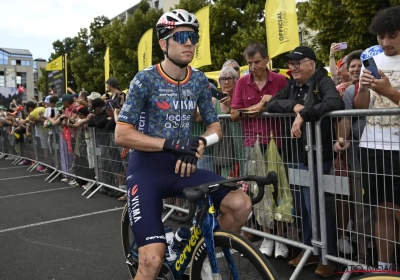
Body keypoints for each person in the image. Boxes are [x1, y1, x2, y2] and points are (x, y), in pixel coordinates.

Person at [115, 9, 252, 280]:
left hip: (184, 167)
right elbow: (121, 134)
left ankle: (194, 252)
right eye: (182, 37)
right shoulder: (145, 79)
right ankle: (167, 250)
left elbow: (216, 127)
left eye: (194, 37)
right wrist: (171, 144)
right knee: (151, 262)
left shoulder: (199, 80)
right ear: (163, 43)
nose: (190, 42)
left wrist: (200, 141)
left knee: (241, 204)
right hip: (147, 171)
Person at [266, 46, 344, 277]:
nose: (292, 67)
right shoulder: (292, 86)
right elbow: (272, 104)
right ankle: (309, 248)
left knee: (317, 206)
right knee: (302, 206)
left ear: (311, 63)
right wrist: (295, 107)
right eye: (290, 63)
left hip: (318, 155)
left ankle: (327, 256)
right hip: (296, 155)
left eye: (297, 63)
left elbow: (335, 103)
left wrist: (305, 114)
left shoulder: (323, 80)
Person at [229, 42, 289, 259]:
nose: (253, 67)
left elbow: (288, 106)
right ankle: (267, 237)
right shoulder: (242, 83)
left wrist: (265, 106)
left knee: (279, 191)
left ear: (266, 59)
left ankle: (281, 239)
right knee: (259, 193)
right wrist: (257, 109)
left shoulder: (281, 80)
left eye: (257, 62)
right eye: (249, 63)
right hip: (251, 144)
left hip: (278, 143)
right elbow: (234, 114)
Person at [353, 5, 400, 271]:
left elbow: (394, 97)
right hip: (372, 146)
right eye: (381, 36)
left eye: (392, 35)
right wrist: (363, 87)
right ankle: (384, 266)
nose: (385, 42)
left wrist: (390, 91)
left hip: (398, 148)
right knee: (381, 210)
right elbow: (361, 106)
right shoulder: (375, 60)